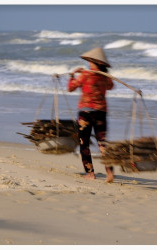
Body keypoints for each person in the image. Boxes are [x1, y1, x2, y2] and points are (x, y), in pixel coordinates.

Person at [68, 47, 115, 183]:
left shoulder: (85, 75)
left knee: (84, 143)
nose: (88, 64)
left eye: (90, 61)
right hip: (101, 112)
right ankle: (109, 173)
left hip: (86, 112)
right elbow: (110, 86)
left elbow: (71, 88)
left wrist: (72, 75)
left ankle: (90, 173)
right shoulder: (105, 77)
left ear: (95, 62)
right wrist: (104, 75)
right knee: (103, 143)